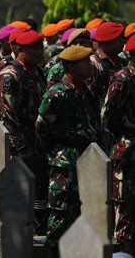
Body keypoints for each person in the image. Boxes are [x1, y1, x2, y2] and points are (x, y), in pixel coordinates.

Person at [37, 45, 101, 254]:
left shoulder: (88, 93)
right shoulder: (57, 94)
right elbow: (41, 128)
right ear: (71, 67)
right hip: (64, 163)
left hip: (88, 160)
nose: (89, 65)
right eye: (84, 62)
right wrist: (55, 154)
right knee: (60, 218)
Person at [0, 30, 49, 225]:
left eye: (40, 48)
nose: (39, 52)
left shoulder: (38, 72)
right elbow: (7, 114)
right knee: (22, 187)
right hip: (21, 142)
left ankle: (39, 224)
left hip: (38, 138)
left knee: (41, 186)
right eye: (34, 49)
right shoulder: (10, 75)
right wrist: (20, 146)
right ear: (21, 50)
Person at [102, 34, 135, 250]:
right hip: (126, 145)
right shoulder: (123, 78)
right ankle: (124, 248)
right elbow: (106, 114)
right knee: (124, 199)